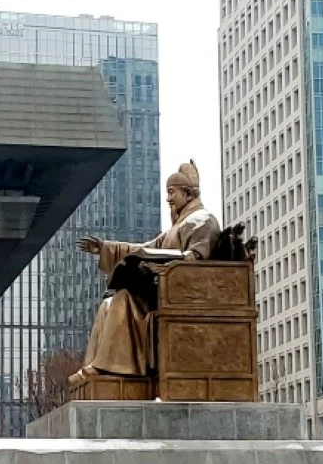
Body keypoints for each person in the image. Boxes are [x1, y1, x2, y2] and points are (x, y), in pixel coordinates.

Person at [76, 160, 221, 376]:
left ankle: (112, 366)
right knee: (107, 304)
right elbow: (144, 249)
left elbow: (197, 257)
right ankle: (98, 366)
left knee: (123, 299)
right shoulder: (177, 227)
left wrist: (163, 267)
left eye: (172, 192)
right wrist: (105, 248)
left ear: (188, 194)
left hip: (183, 295)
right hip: (164, 292)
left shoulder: (202, 220)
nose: (168, 199)